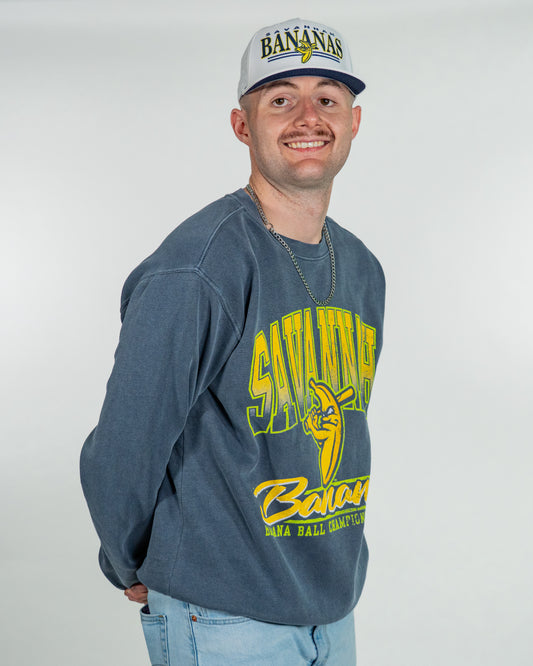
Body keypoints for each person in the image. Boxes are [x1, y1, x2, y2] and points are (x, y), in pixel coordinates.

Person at [80, 17, 385, 665]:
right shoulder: (198, 268)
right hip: (223, 617)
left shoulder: (361, 268)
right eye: (280, 99)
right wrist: (129, 561)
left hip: (332, 607)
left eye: (327, 98)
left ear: (354, 121)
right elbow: (125, 445)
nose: (308, 117)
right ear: (242, 126)